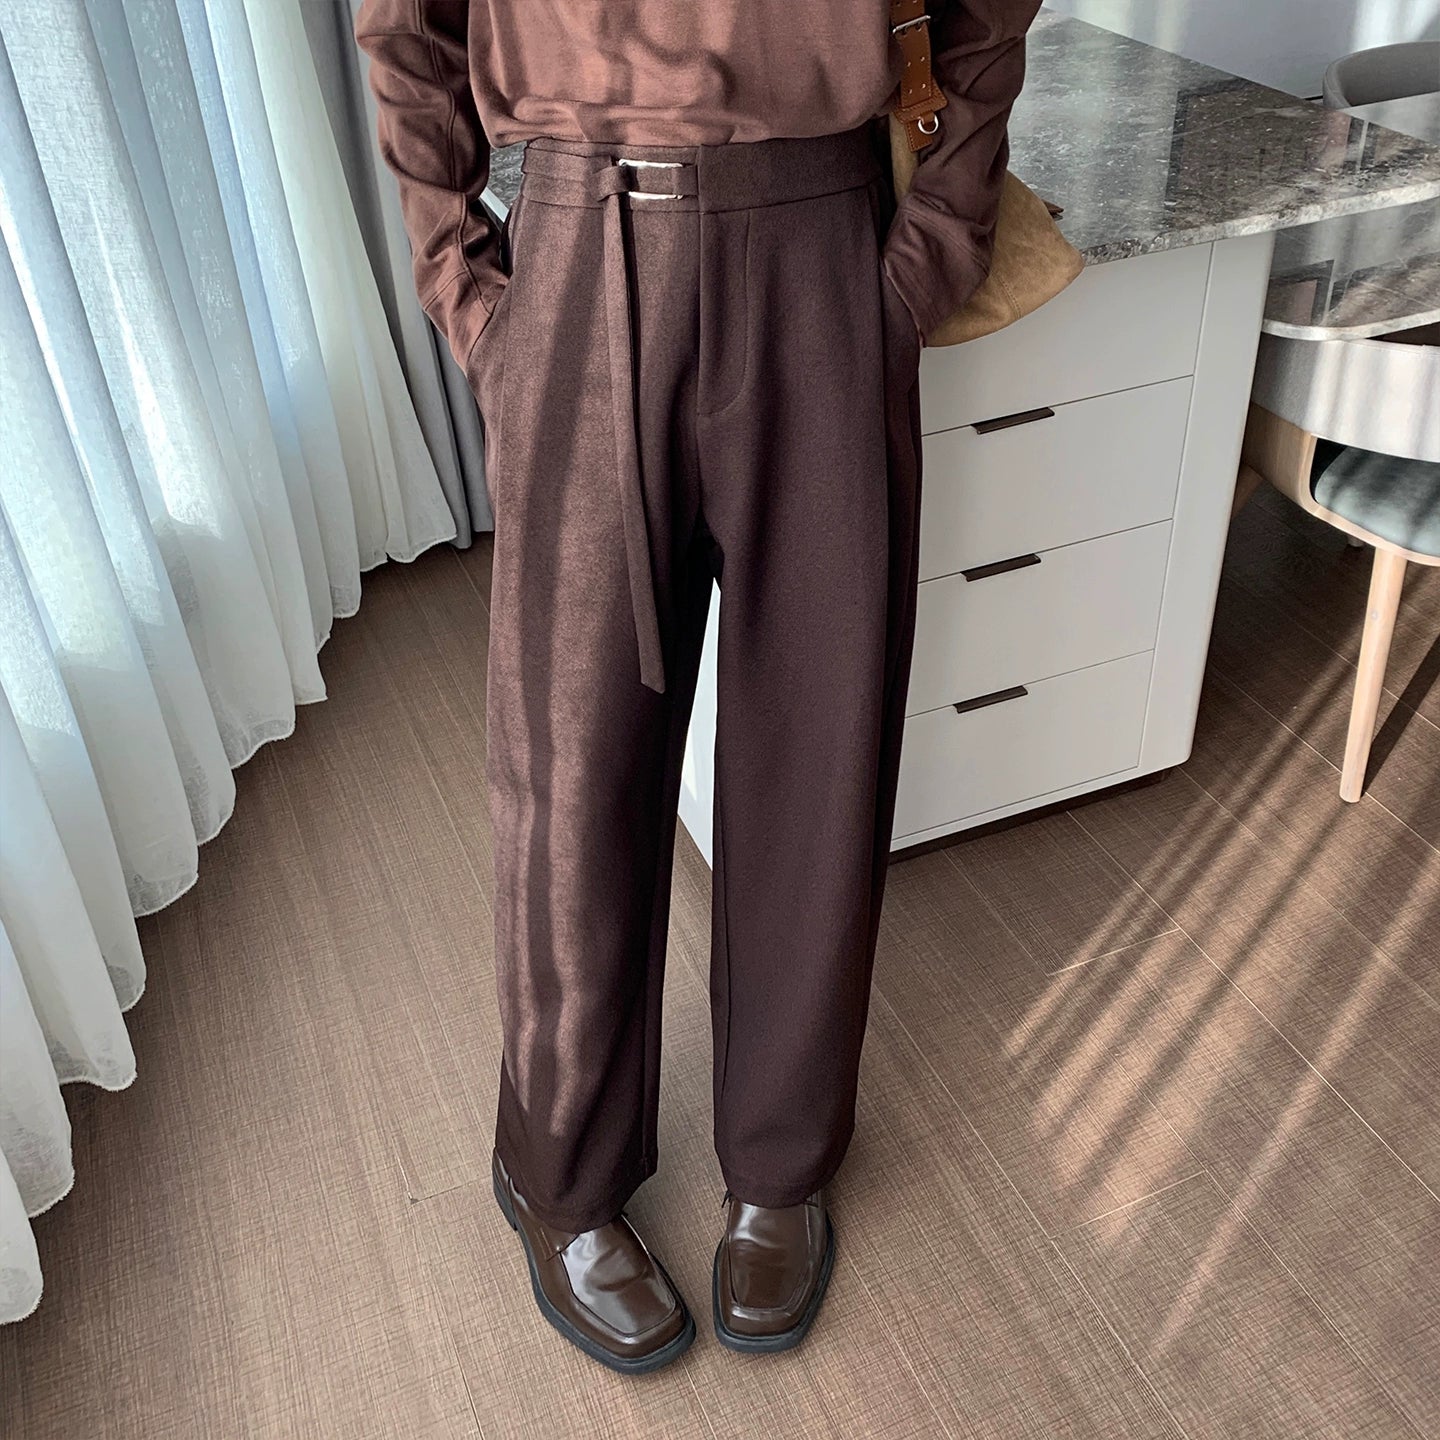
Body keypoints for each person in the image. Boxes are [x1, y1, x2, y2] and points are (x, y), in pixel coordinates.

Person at [356, 0, 1040, 1372]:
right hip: (576, 248)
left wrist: (926, 255)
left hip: (822, 253)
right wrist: (469, 288)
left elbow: (988, 17)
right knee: (571, 763)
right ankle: (559, 1168)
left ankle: (782, 1159)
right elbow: (403, 26)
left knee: (818, 747)